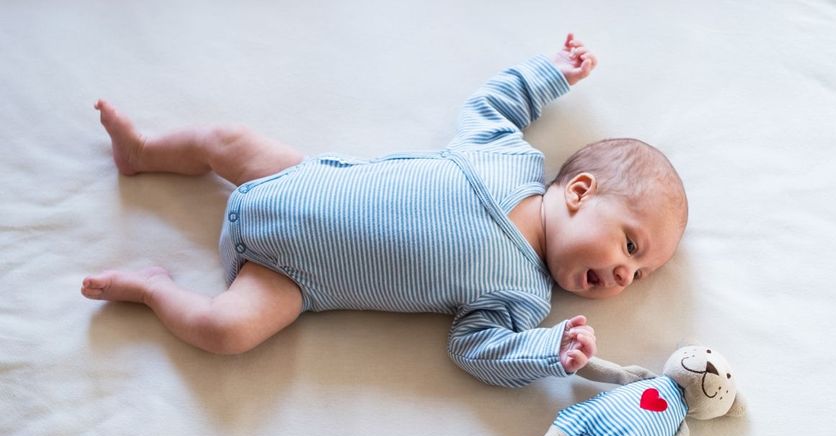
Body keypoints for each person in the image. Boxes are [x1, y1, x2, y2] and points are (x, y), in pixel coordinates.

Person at [81, 34, 687, 388]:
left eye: (639, 275)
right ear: (580, 192)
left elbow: (472, 351)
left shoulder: (522, 300)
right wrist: (550, 73)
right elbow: (493, 105)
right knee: (227, 141)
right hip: (296, 176)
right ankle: (144, 153)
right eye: (631, 247)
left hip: (293, 281)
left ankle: (155, 291)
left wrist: (546, 353)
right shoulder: (508, 159)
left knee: (227, 331)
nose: (625, 277)